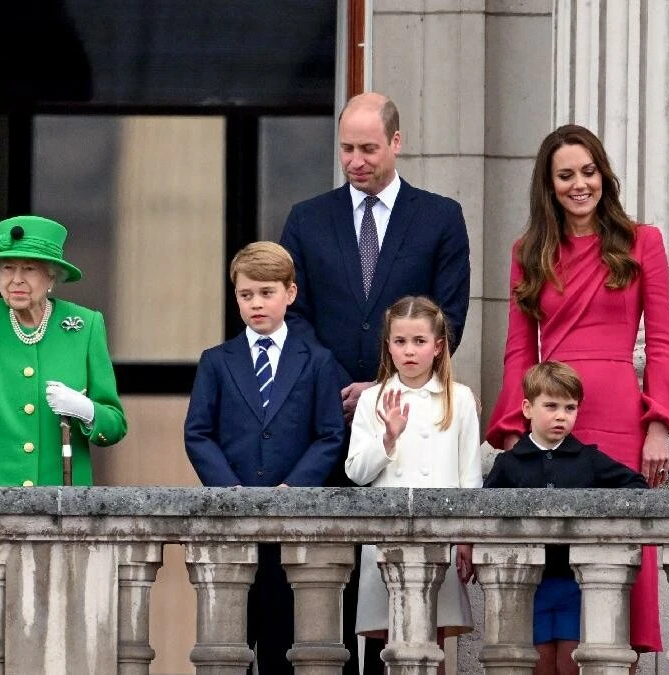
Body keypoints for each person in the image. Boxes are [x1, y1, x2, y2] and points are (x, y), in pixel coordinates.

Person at [279, 91, 471, 673]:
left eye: (367, 148)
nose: (355, 160)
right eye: (346, 148)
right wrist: (346, 386)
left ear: (395, 142)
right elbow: (295, 313)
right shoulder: (307, 218)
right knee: (332, 583)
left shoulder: (440, 216)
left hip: (412, 427)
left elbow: (450, 315)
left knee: (408, 599)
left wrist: (384, 384)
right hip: (325, 419)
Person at [485, 124, 669, 655]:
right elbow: (518, 351)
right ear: (548, 185)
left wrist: (659, 425)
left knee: (619, 562)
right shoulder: (527, 250)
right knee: (551, 564)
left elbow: (663, 342)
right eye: (565, 175)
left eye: (588, 171)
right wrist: (515, 430)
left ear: (603, 174)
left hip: (620, 420)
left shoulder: (643, 241)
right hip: (551, 416)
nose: (580, 184)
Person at [0, 214, 127, 644]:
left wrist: (86, 409)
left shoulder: (85, 325)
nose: (16, 279)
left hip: (61, 509)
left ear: (52, 276)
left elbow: (115, 422)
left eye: (29, 268)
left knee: (58, 641)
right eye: (8, 268)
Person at [184, 241, 347, 675]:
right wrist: (229, 490)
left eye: (266, 292)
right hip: (232, 525)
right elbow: (198, 433)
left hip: (292, 527)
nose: (256, 303)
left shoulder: (318, 361)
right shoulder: (216, 361)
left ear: (290, 293)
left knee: (284, 642)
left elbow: (330, 434)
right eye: (246, 294)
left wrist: (294, 489)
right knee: (228, 646)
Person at [344, 296, 480, 672]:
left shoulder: (460, 399)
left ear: (438, 346)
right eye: (400, 341)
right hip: (387, 538)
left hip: (440, 537)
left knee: (432, 642)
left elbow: (469, 476)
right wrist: (387, 439)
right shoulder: (373, 399)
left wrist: (467, 539)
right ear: (388, 344)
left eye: (419, 341)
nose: (409, 351)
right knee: (392, 643)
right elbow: (356, 470)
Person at [484, 361, 648, 675]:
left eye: (570, 407)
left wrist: (598, 522)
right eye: (551, 406)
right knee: (539, 664)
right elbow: (482, 513)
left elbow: (635, 486)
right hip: (528, 586)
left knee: (570, 664)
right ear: (527, 408)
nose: (561, 415)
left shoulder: (589, 460)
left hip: (576, 584)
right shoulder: (509, 463)